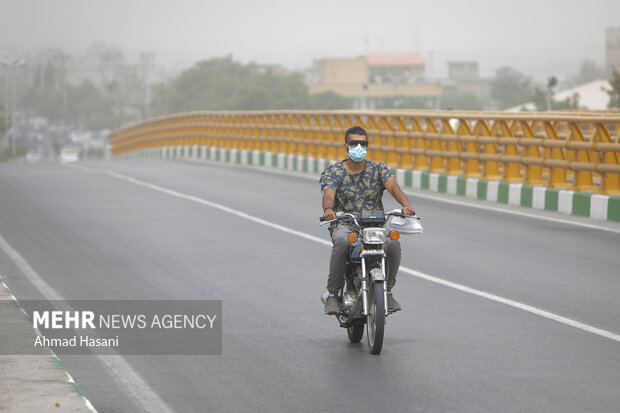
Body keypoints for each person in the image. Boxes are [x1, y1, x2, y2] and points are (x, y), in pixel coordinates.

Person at [319, 126, 415, 315]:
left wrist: (406, 205)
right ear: (346, 146)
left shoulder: (378, 169)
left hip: (374, 225)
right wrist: (328, 209)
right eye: (354, 143)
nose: (359, 147)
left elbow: (393, 187)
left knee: (393, 243)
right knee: (341, 241)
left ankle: (387, 291)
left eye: (363, 143)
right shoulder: (334, 171)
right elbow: (328, 193)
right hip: (345, 223)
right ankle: (332, 295)